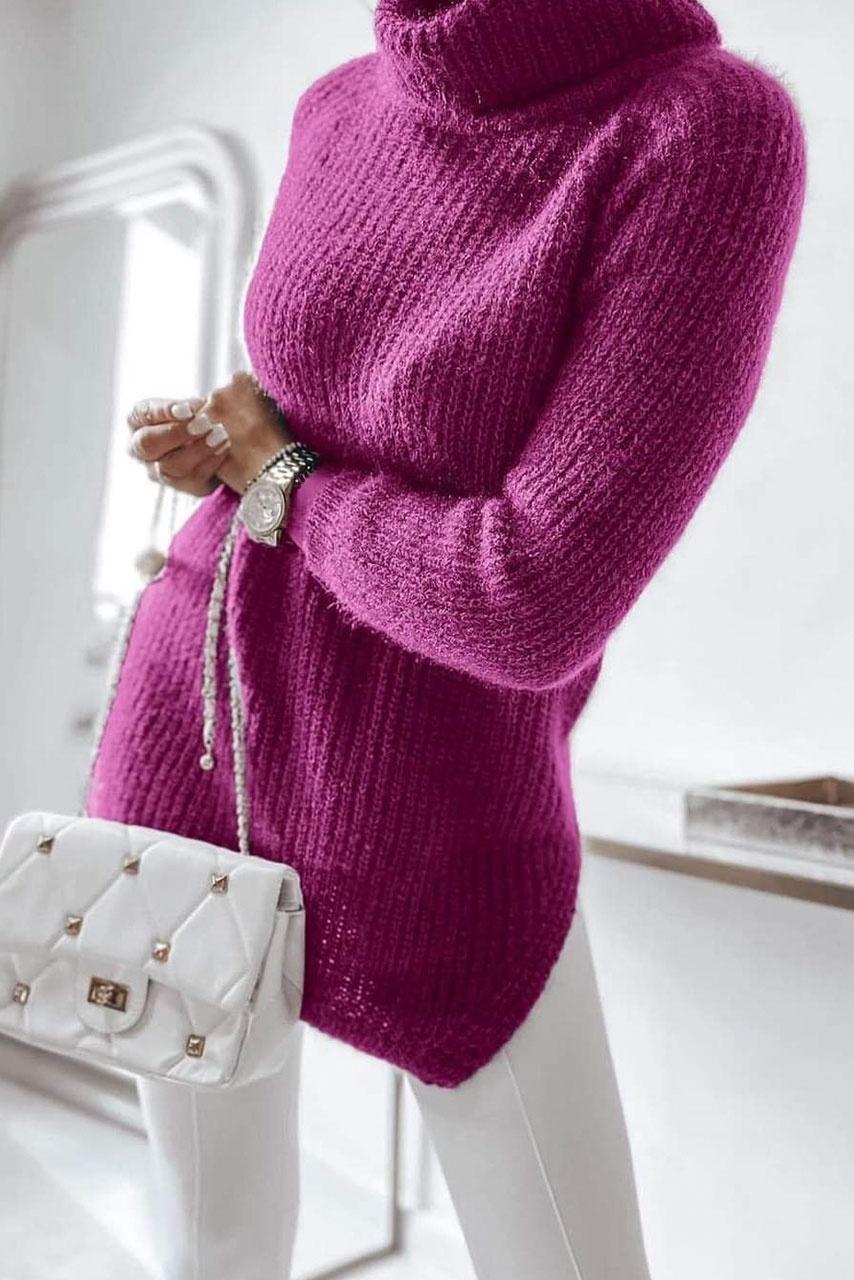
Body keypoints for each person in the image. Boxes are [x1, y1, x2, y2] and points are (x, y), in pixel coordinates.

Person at [87, 0, 806, 1276]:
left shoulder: (699, 128)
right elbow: (307, 424)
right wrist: (233, 453)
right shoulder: (337, 103)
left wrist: (281, 483)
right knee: (210, 1247)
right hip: (195, 717)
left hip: (439, 795)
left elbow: (529, 598)